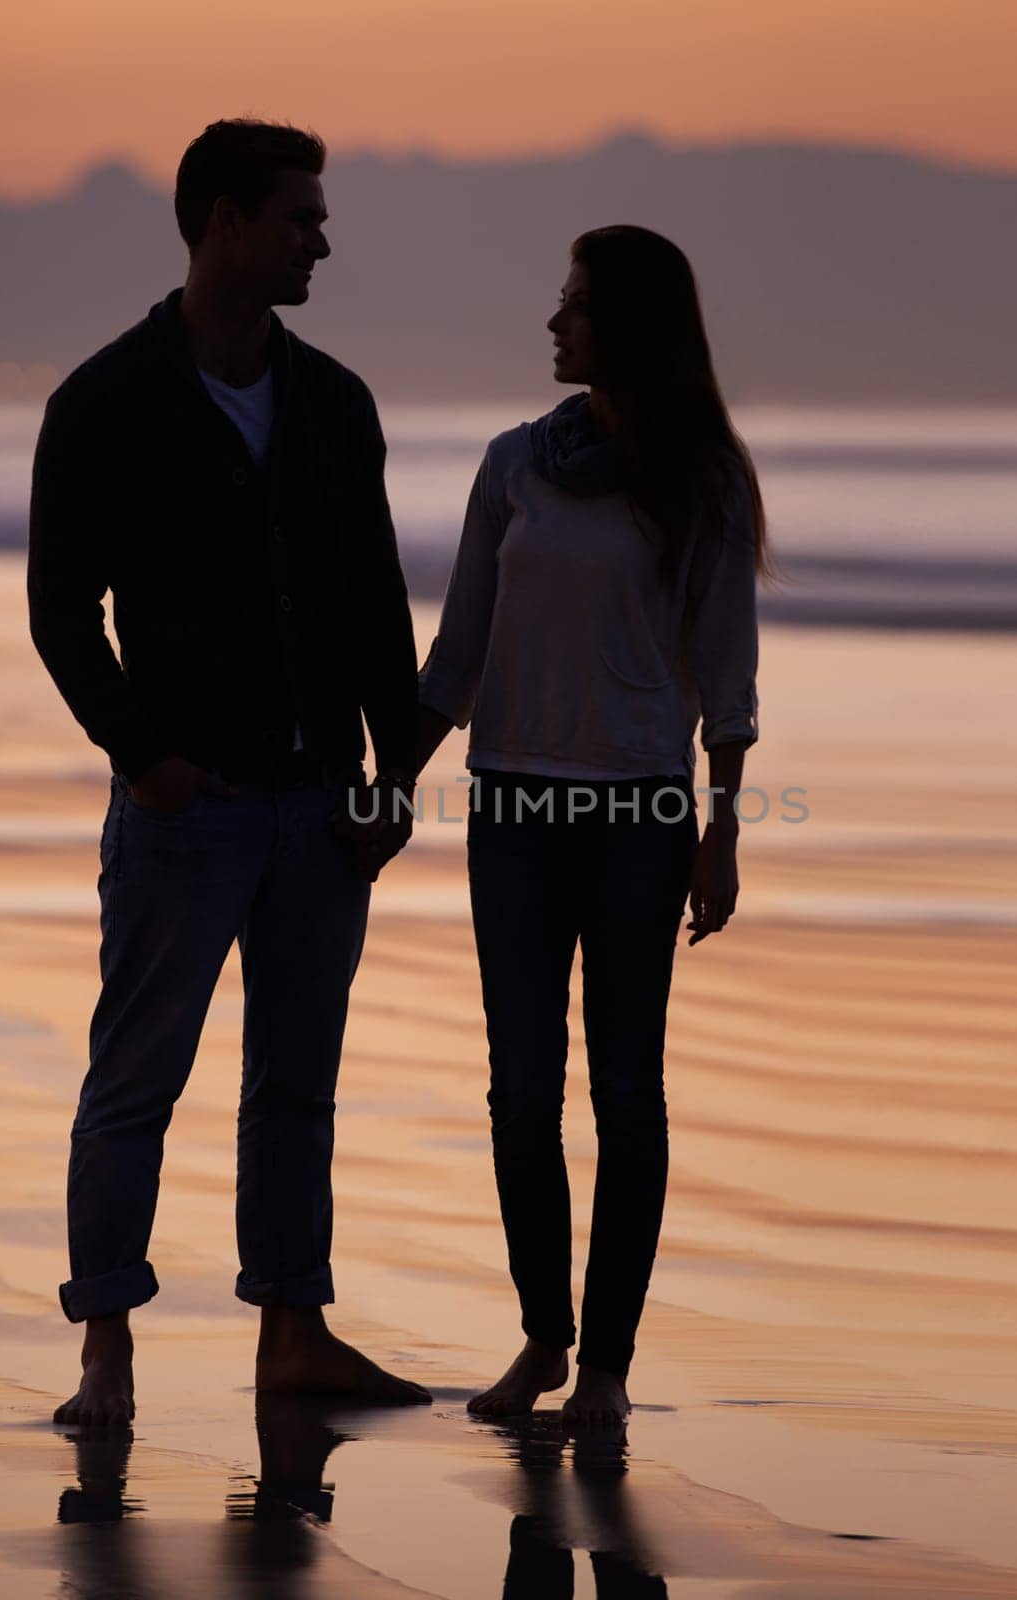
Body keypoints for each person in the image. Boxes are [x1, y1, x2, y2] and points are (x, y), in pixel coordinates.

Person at [28, 118, 427, 1427]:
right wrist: (143, 761)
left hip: (320, 803)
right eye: (301, 217)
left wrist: (392, 773)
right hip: (184, 809)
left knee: (296, 1081)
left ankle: (292, 1337)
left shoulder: (336, 403)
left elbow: (374, 606)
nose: (322, 239)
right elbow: (58, 609)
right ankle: (106, 1351)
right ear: (223, 224)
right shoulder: (106, 400)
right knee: (137, 1076)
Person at [412, 225, 767, 1425]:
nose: (553, 325)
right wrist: (379, 787)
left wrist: (721, 829)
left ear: (629, 324)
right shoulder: (513, 466)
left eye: (573, 306)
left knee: (628, 1089)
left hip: (638, 815)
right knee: (522, 1087)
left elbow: (726, 669)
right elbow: (456, 651)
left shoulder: (701, 481)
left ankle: (606, 1369)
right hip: (510, 805)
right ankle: (542, 1341)